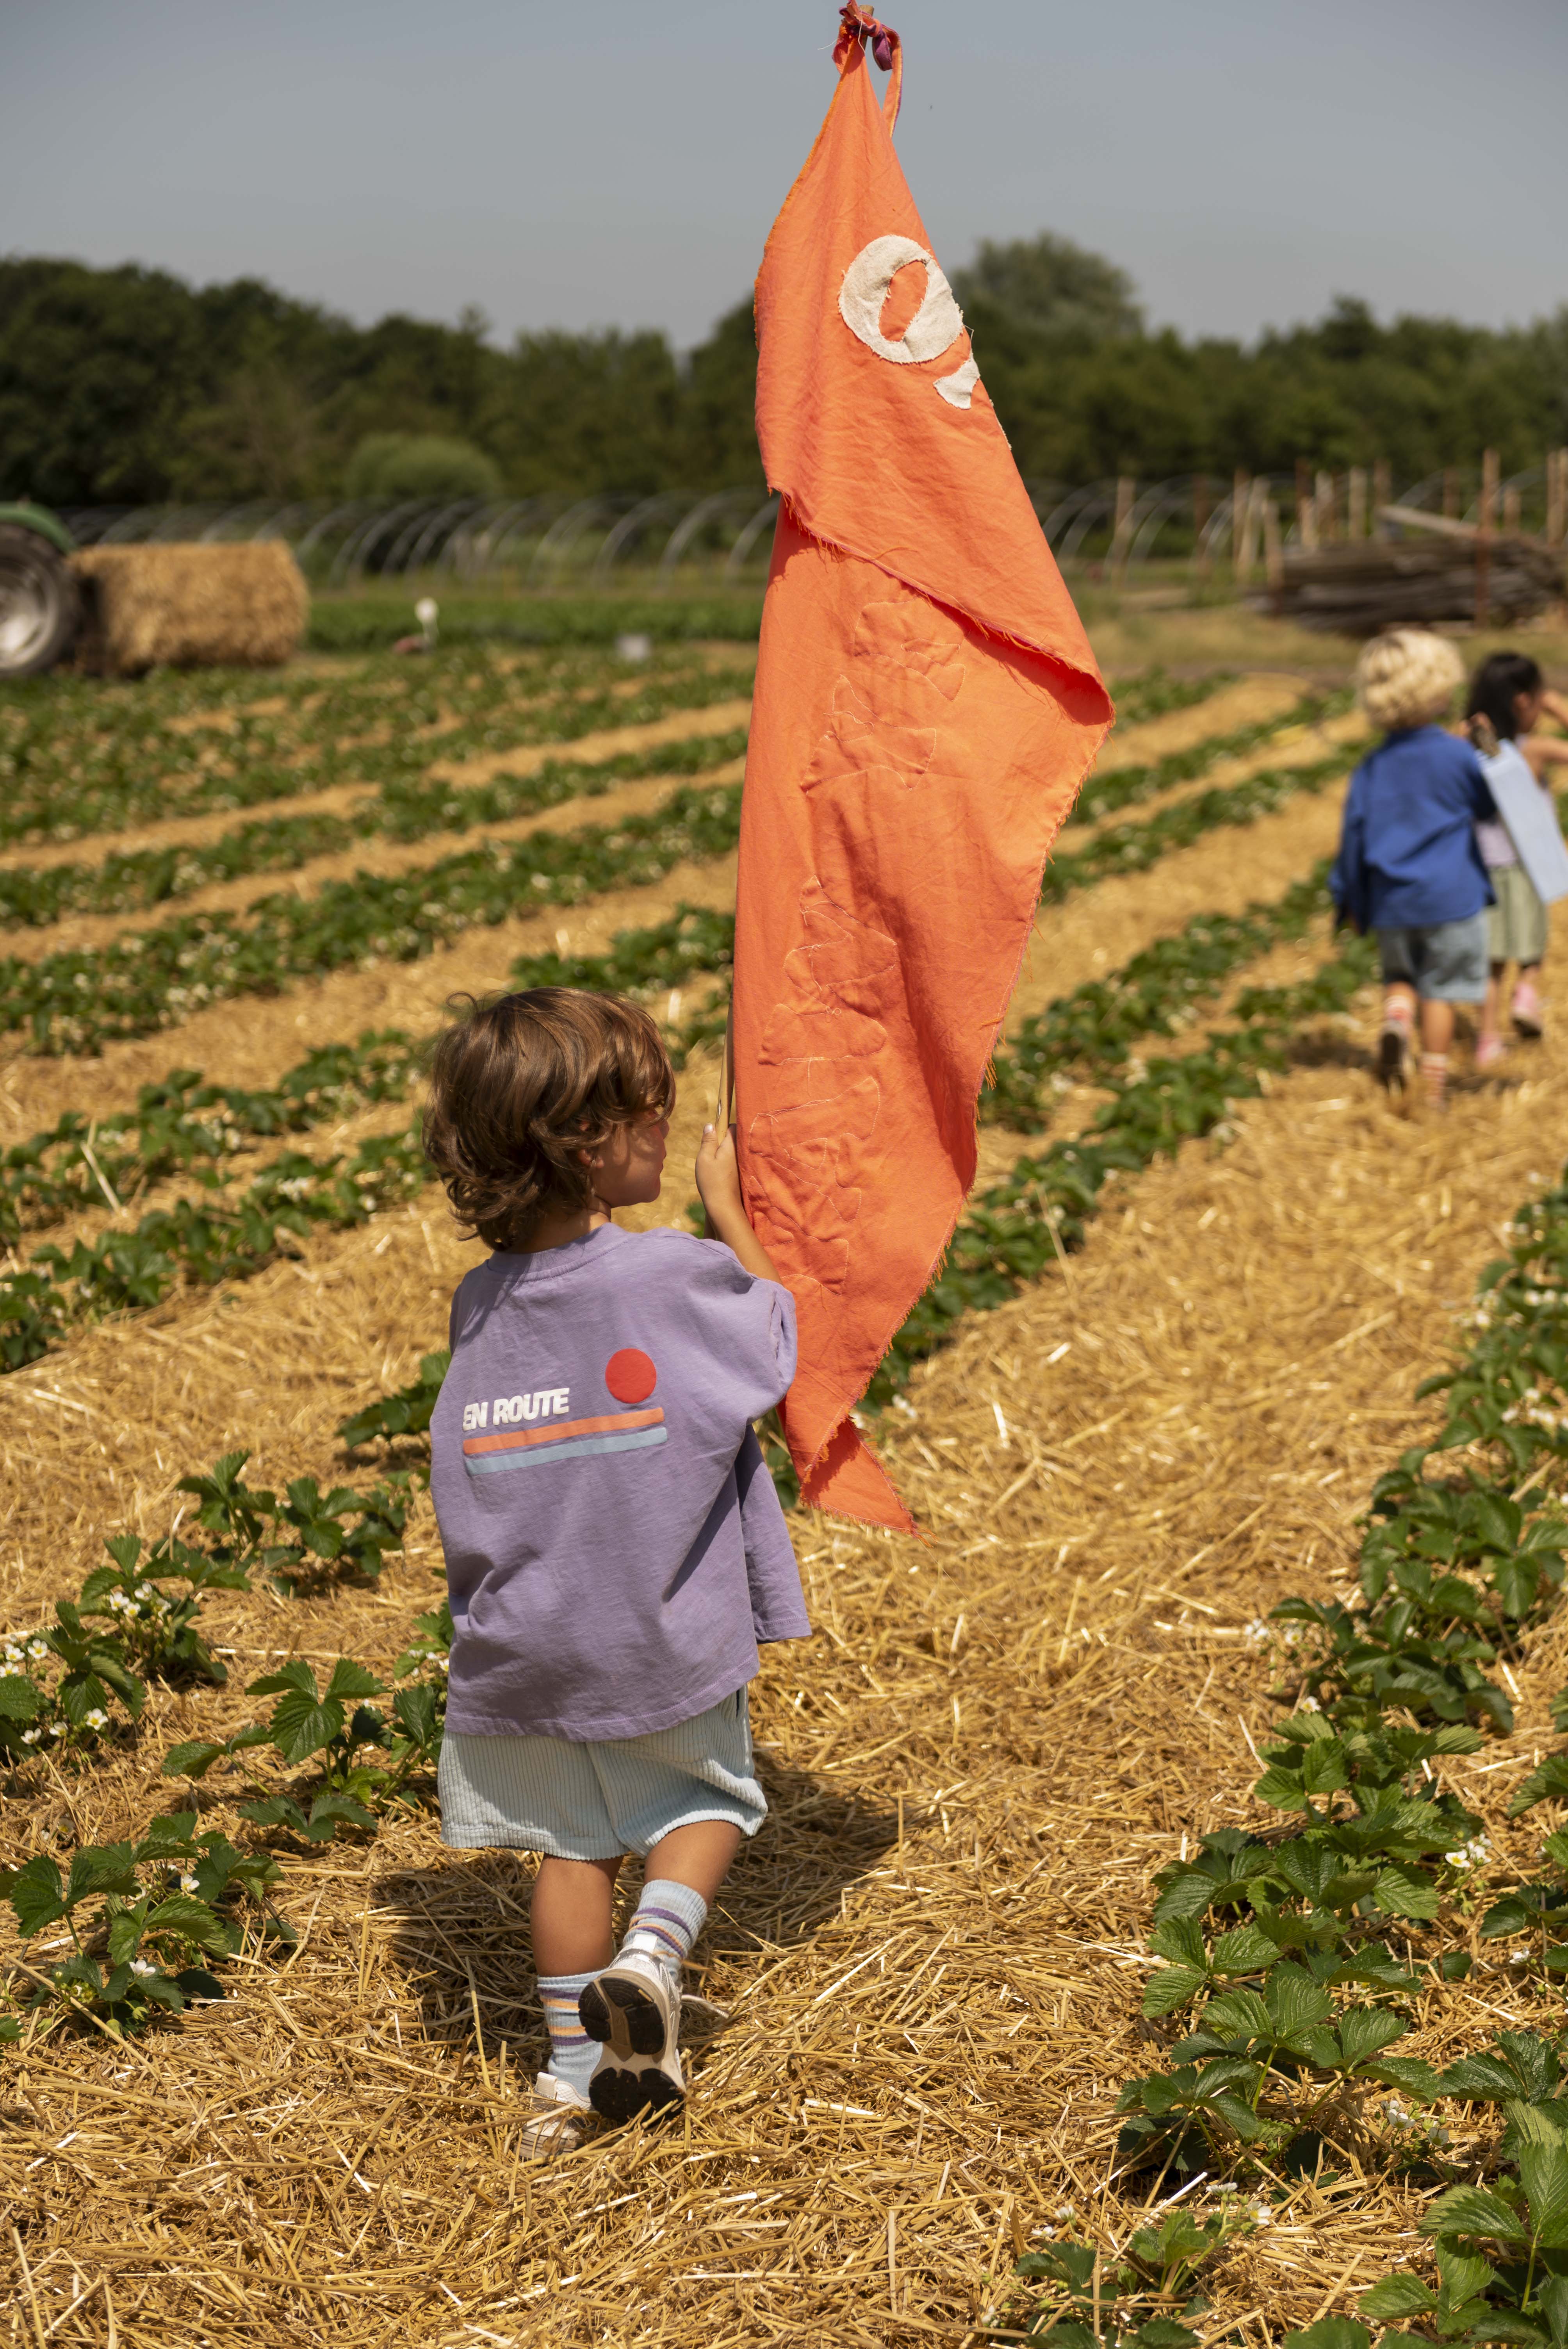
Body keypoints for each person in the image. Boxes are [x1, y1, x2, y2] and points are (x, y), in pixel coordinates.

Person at [421, 987, 808, 2155]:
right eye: (653, 1103)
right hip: (649, 1625)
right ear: (587, 1142)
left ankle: (570, 2079)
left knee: (572, 1844)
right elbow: (777, 1344)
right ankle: (653, 1957)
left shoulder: (479, 1303)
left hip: (523, 1637)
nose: (669, 1115)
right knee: (706, 1801)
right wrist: (731, 1214)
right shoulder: (663, 1275)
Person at [1329, 629, 1498, 1111]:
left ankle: (1396, 1020)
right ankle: (1433, 1091)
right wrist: (1486, 751)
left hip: (1390, 900)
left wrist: (1348, 901)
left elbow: (1353, 838)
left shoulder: (1371, 765)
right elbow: (1487, 807)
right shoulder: (1456, 754)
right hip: (1450, 898)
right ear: (1437, 689)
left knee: (1400, 976)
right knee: (1440, 993)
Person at [1463, 651, 1568, 1067]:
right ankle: (1526, 993)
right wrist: (1559, 708)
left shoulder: (1473, 744)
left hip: (1482, 866)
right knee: (1531, 946)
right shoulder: (1533, 750)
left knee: (1490, 962)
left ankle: (1486, 1040)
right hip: (1525, 865)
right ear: (1524, 702)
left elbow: (1479, 752)